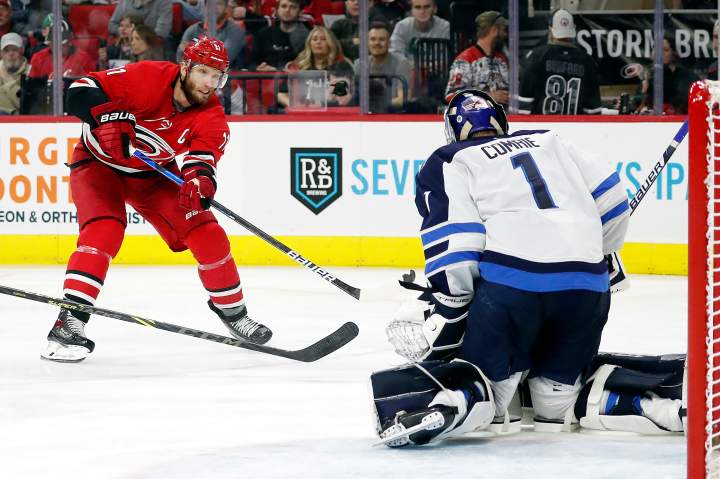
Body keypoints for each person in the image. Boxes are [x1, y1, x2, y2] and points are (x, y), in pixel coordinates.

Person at [367, 90, 682, 447]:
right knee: (556, 402)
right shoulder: (551, 140)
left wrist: (452, 306)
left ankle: (453, 404)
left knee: (493, 391)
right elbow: (612, 201)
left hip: (512, 291)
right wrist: (601, 251)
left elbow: (458, 247)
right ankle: (665, 410)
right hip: (586, 287)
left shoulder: (450, 159)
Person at [40, 36, 273, 363]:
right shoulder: (148, 78)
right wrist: (106, 115)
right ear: (185, 67)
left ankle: (234, 313)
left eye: (216, 76)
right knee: (104, 230)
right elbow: (78, 90)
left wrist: (200, 181)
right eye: (203, 72)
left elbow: (202, 159)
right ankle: (69, 322)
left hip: (152, 176)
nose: (209, 83)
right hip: (98, 166)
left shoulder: (211, 115)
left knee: (208, 233)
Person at [518, 9, 601, 115]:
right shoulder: (588, 61)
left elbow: (523, 104)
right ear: (573, 30)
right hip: (574, 124)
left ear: (550, 30)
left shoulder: (536, 56)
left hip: (543, 124)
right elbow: (593, 110)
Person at [277, 25, 353, 108]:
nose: (318, 42)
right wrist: (293, 105)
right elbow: (281, 94)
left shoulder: (341, 65)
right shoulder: (299, 66)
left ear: (330, 43)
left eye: (323, 39)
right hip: (302, 111)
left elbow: (343, 98)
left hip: (332, 111)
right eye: (315, 39)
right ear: (309, 44)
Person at [445, 10, 508, 106]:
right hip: (477, 114)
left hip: (505, 113)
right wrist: (489, 97)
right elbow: (452, 96)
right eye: (503, 30)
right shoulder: (465, 60)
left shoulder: (502, 58)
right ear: (494, 30)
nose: (505, 35)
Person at [353, 22, 411, 112]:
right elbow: (354, 98)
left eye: (382, 39)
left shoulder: (401, 63)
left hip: (392, 113)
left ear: (389, 43)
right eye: (373, 39)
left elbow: (403, 99)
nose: (377, 43)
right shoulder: (359, 64)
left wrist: (376, 106)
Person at [638, 37, 699, 115]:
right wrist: (644, 91)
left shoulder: (687, 77)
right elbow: (638, 106)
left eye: (665, 50)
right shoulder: (648, 76)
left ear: (673, 54)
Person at [176, 0, 245, 69]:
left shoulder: (235, 31)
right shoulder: (192, 30)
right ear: (204, 8)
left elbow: (222, 61)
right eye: (210, 4)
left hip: (228, 74)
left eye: (219, 4)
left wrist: (193, 51)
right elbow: (181, 59)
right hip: (194, 74)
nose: (214, 8)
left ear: (226, 8)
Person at [251, 0, 309, 71]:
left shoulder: (308, 36)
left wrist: (277, 70)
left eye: (293, 7)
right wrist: (259, 68)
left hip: (295, 77)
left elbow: (309, 65)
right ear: (277, 11)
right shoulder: (263, 34)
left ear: (300, 12)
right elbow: (252, 63)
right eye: (283, 6)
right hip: (265, 76)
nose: (287, 10)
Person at [109, 0, 173, 39]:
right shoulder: (125, 2)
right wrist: (122, 31)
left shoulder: (164, 2)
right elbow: (112, 24)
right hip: (126, 43)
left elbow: (162, 32)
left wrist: (138, 38)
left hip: (151, 45)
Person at [0, 31, 27, 114]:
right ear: (1, 54)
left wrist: (7, 79)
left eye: (14, 50)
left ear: (22, 51)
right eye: (6, 51)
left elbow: (28, 106)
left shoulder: (31, 72)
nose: (11, 54)